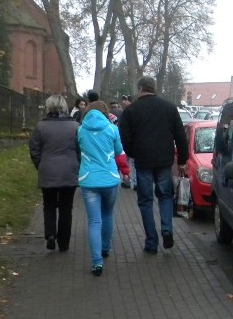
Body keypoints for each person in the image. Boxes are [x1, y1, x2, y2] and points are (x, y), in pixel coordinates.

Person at [118, 76, 189, 254]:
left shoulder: (131, 110)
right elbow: (180, 136)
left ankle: (151, 241)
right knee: (165, 196)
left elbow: (124, 138)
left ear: (141, 88)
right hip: (164, 160)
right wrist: (182, 159)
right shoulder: (169, 108)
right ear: (154, 88)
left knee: (145, 200)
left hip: (143, 161)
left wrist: (133, 153)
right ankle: (167, 230)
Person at [77, 100, 124, 276]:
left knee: (94, 221)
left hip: (88, 180)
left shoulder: (80, 130)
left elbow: (79, 149)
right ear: (105, 112)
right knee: (107, 214)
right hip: (110, 179)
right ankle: (105, 247)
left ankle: (97, 262)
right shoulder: (112, 129)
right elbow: (119, 151)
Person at [28, 94, 80, 252]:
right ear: (64, 107)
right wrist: (76, 165)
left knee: (49, 204)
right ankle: (64, 242)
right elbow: (80, 150)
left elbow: (34, 150)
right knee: (66, 208)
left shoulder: (40, 127)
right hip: (69, 171)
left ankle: (50, 234)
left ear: (48, 107)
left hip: (48, 170)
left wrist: (41, 165)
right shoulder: (75, 127)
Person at [120, 95, 137, 189]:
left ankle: (127, 180)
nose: (123, 102)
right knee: (132, 163)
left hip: (127, 142)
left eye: (124, 100)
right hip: (133, 141)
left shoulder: (127, 112)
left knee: (126, 162)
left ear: (128, 101)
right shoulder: (136, 110)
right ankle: (135, 182)